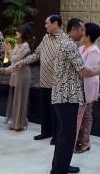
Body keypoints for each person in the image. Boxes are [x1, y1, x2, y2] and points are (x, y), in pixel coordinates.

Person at [49, 18, 100, 174]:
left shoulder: (65, 42)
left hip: (64, 95)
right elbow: (83, 70)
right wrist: (97, 71)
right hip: (67, 96)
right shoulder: (70, 45)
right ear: (74, 29)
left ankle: (61, 167)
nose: (83, 33)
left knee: (64, 134)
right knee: (66, 136)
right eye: (81, 30)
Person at [15, 14, 66, 144]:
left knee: (55, 111)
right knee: (45, 108)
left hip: (57, 81)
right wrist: (22, 62)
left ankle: (56, 135)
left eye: (47, 23)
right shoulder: (46, 37)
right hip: (44, 78)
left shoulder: (65, 40)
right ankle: (46, 132)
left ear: (55, 24)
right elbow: (37, 54)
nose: (45, 25)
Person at [74, 23, 100, 154]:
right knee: (83, 116)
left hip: (87, 87)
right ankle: (82, 141)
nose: (80, 33)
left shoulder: (94, 51)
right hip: (79, 86)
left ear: (88, 36)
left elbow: (85, 71)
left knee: (84, 116)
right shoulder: (82, 48)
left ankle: (84, 142)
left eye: (83, 31)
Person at [2, 24, 34, 131]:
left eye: (18, 31)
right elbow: (11, 59)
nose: (16, 33)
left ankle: (20, 122)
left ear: (23, 33)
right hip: (16, 72)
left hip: (23, 72)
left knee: (20, 97)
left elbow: (16, 58)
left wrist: (9, 50)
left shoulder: (25, 45)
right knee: (15, 96)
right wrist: (8, 51)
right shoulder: (18, 44)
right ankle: (16, 121)